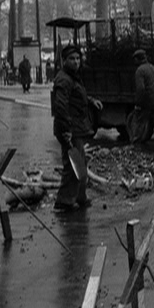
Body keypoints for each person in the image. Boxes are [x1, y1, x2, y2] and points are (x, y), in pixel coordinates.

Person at [52, 44, 103, 213]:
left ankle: (80, 197)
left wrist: (90, 100)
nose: (76, 62)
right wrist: (66, 130)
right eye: (72, 59)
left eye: (78, 58)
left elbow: (77, 95)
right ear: (64, 61)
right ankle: (64, 201)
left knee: (80, 164)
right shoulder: (63, 79)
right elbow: (60, 106)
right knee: (72, 166)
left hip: (77, 128)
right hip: (70, 129)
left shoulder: (72, 77)